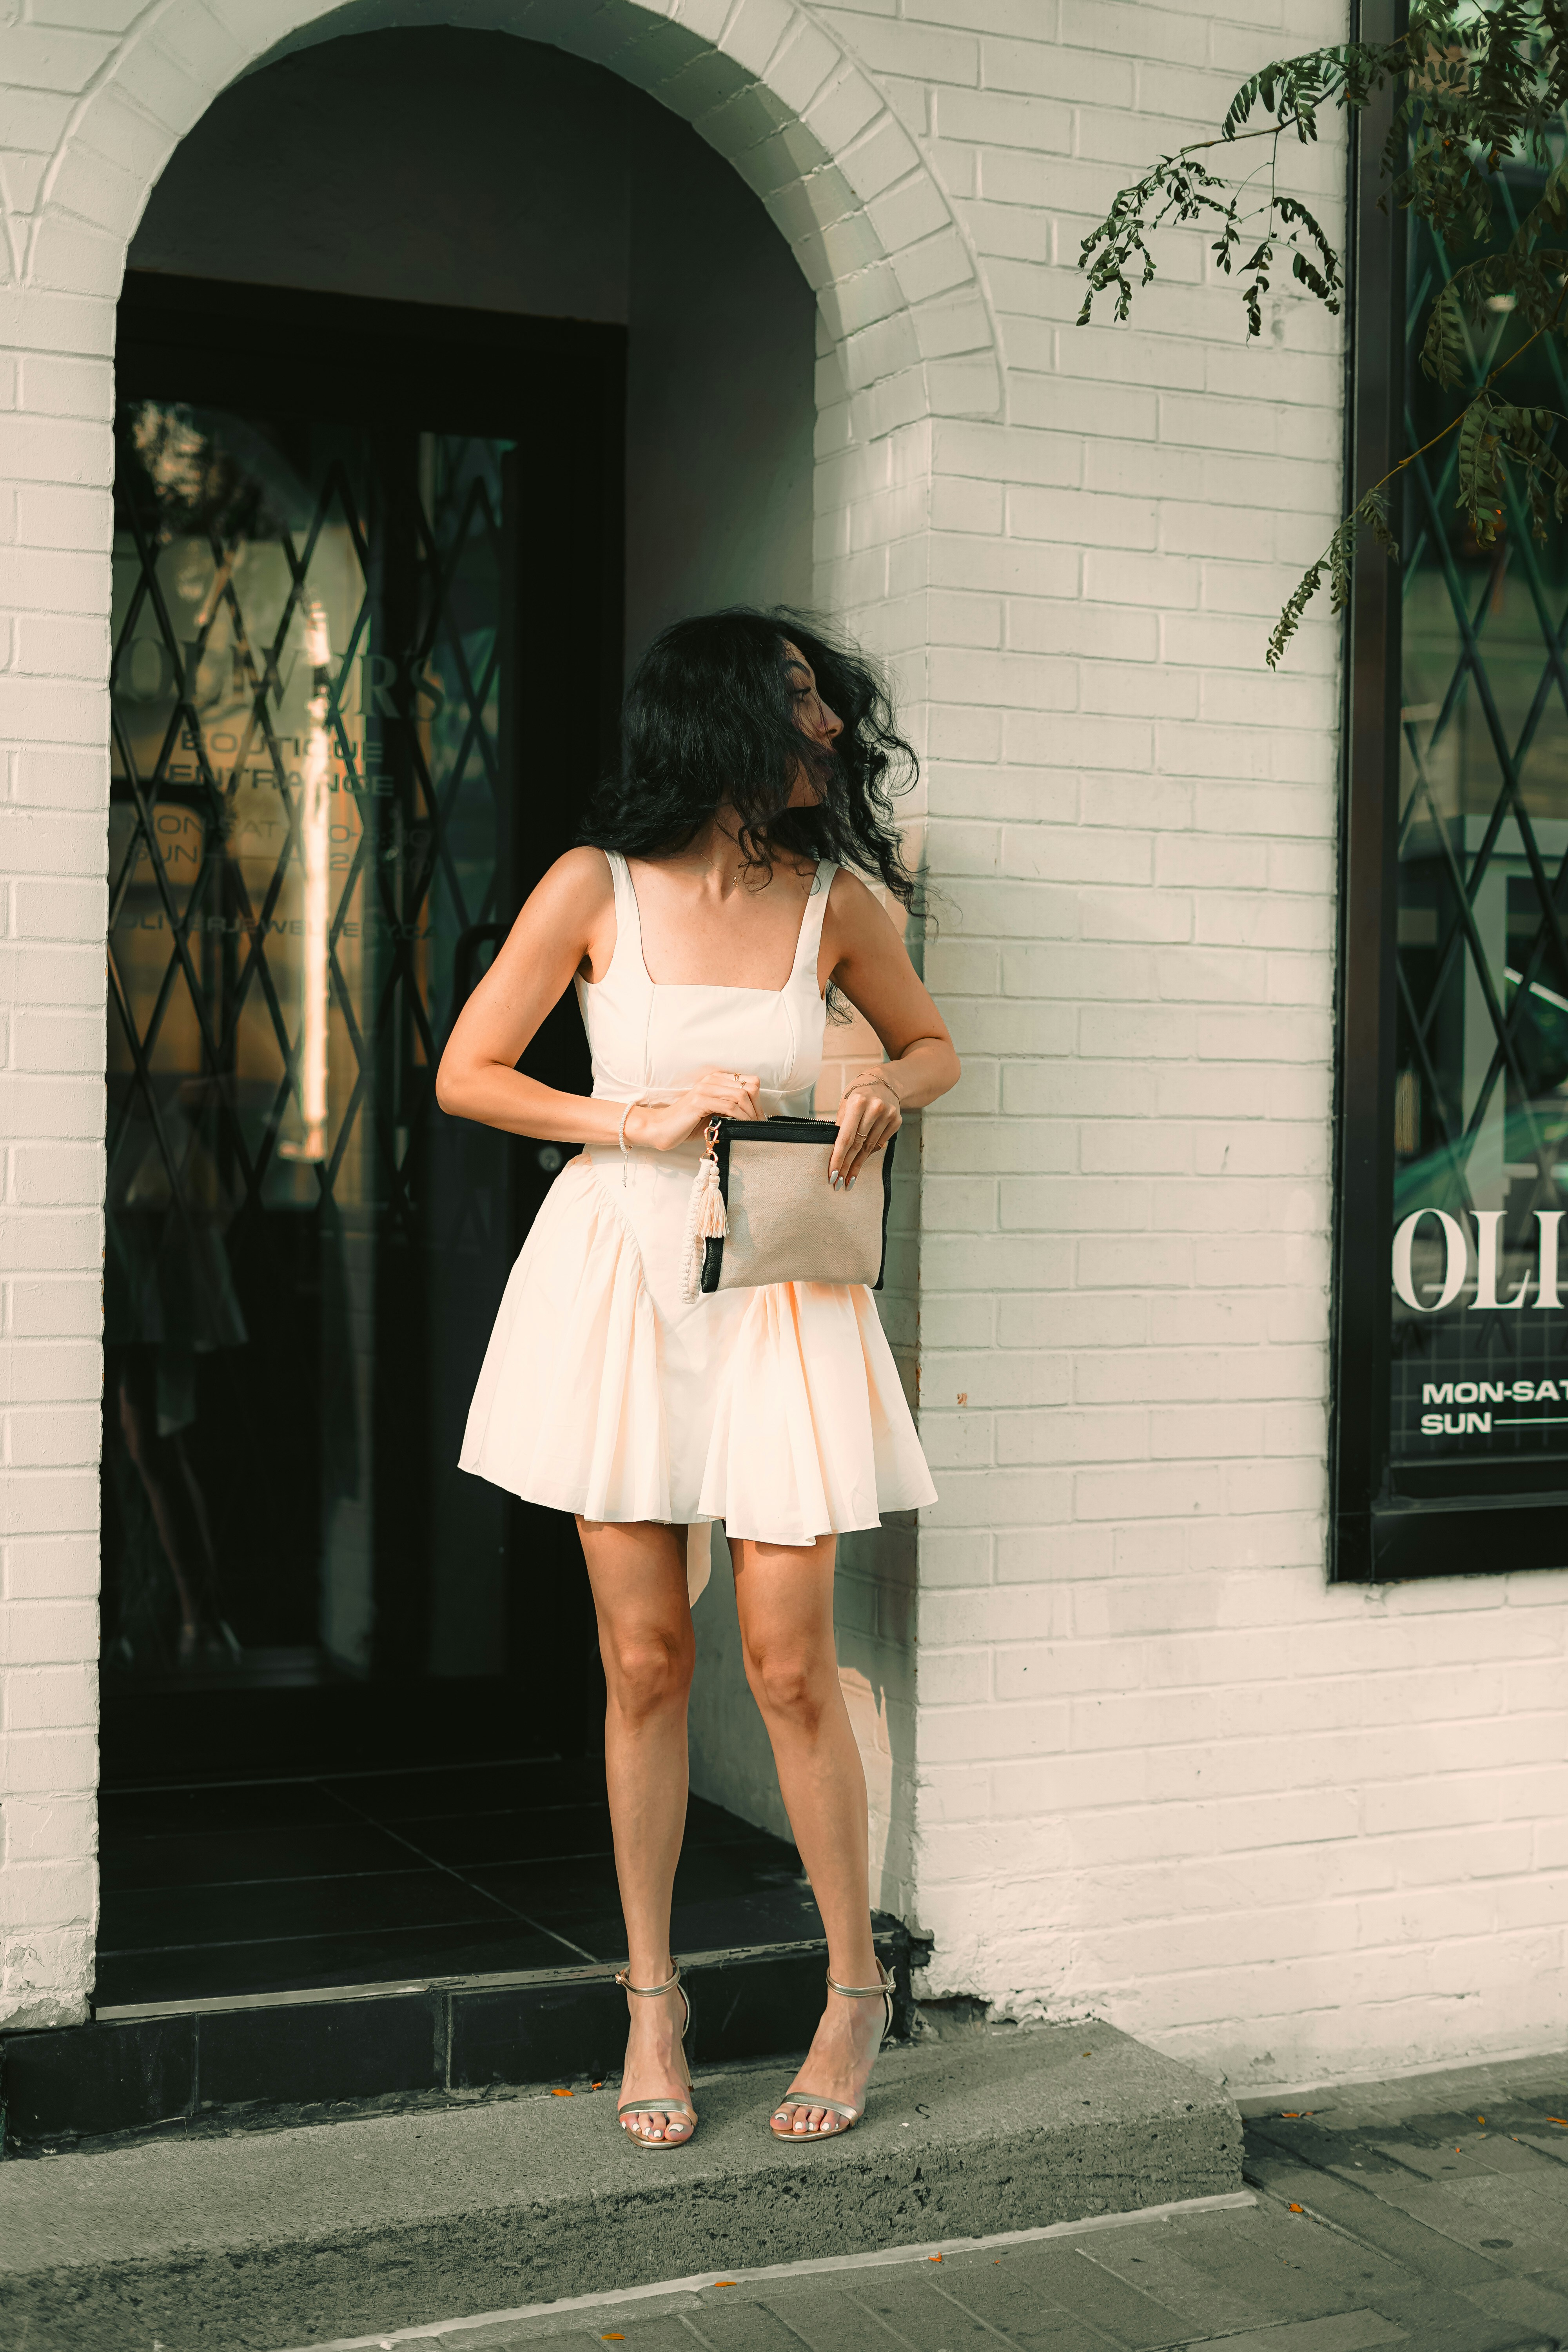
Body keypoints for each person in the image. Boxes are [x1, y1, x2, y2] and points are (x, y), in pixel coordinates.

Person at [436, 608, 959, 2151]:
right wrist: (634, 1117)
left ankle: (850, 1989)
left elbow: (931, 1047)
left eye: (827, 706)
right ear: (719, 721)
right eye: (799, 704)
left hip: (781, 1288)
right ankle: (650, 2002)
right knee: (645, 1659)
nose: (827, 732)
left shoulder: (839, 901)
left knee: (790, 1663)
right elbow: (471, 1072)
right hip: (625, 1280)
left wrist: (883, 1101)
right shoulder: (592, 889)